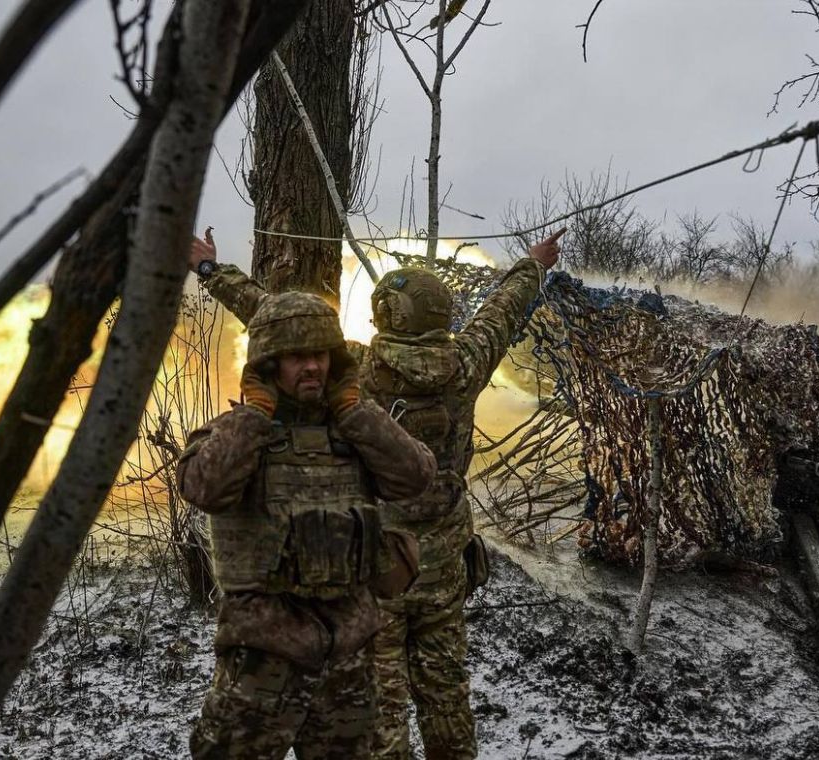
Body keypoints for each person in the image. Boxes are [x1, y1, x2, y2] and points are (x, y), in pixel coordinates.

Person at [188, 228, 562, 759]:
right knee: (447, 695)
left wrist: (210, 271)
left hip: (378, 566)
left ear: (389, 315)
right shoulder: (468, 364)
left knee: (383, 710)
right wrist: (534, 265)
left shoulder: (360, 369)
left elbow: (276, 318)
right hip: (445, 565)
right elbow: (502, 309)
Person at [177, 288, 435, 760]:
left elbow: (416, 476)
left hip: (348, 656)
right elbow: (202, 487)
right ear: (268, 365)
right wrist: (255, 415)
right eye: (295, 357)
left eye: (318, 354)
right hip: (263, 657)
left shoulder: (355, 430)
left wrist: (355, 410)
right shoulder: (239, 433)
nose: (311, 366)